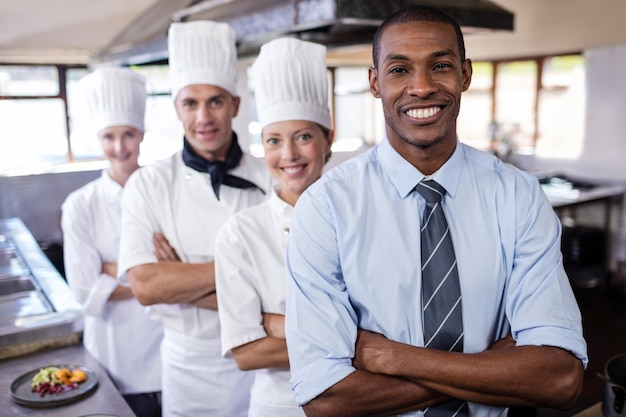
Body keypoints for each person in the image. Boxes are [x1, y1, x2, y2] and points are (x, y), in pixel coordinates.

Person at [284, 5, 588, 417]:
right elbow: (325, 399)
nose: (422, 87)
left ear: (465, 75)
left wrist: (391, 357)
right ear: (375, 82)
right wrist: (493, 364)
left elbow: (559, 378)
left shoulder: (517, 195)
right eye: (399, 70)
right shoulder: (326, 209)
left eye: (440, 65)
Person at [117, 20, 273, 417]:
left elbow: (286, 287)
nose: (204, 116)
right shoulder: (148, 184)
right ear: (176, 108)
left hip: (268, 365)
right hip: (188, 372)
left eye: (216, 101)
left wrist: (182, 277)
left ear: (235, 105)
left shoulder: (273, 176)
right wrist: (244, 274)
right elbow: (147, 286)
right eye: (191, 103)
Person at [215, 37, 333, 417]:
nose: (289, 155)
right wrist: (358, 346)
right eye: (273, 141)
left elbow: (396, 330)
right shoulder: (240, 234)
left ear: (327, 139)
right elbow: (248, 353)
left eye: (303, 136)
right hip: (279, 406)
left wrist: (282, 325)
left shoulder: (365, 218)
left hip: (364, 402)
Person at [61, 67, 163, 417]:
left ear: (142, 134)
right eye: (109, 137)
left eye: (128, 134)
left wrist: (114, 272)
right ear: (98, 139)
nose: (120, 147)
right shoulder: (80, 205)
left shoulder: (163, 192)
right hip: (116, 353)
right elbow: (84, 290)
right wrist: (157, 276)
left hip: (170, 347)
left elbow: (185, 264)